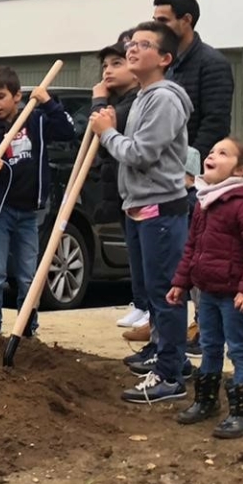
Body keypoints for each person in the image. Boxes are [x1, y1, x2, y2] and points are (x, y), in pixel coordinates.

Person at [90, 22, 195, 404]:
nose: (132, 50)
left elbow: (141, 153)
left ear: (164, 58)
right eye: (131, 44)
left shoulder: (164, 99)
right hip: (139, 206)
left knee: (165, 292)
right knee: (152, 292)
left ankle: (169, 374)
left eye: (144, 45)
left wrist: (107, 133)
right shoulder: (145, 96)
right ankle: (169, 357)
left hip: (160, 209)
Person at [169, 138, 243, 438]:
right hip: (208, 293)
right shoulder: (205, 202)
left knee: (240, 350)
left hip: (235, 297)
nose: (212, 156)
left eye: (223, 153)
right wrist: (181, 282)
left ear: (241, 169)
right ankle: (206, 401)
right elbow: (192, 247)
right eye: (211, 152)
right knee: (209, 346)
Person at [0, 66, 75, 334]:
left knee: (29, 275)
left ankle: (26, 328)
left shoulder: (36, 121)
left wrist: (48, 102)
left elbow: (66, 131)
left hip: (29, 212)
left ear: (17, 96)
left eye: (0, 96)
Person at [92, 35, 151, 340]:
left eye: (116, 63)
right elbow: (98, 143)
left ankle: (149, 307)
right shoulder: (119, 103)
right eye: (105, 65)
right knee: (133, 251)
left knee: (145, 253)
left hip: (140, 190)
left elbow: (108, 133)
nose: (108, 71)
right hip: (118, 188)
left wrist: (99, 101)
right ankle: (141, 303)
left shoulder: (132, 104)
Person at [153, 0, 234, 163]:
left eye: (164, 21)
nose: (157, 28)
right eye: (155, 21)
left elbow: (215, 124)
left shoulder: (212, 63)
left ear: (186, 20)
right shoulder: (162, 62)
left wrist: (190, 167)